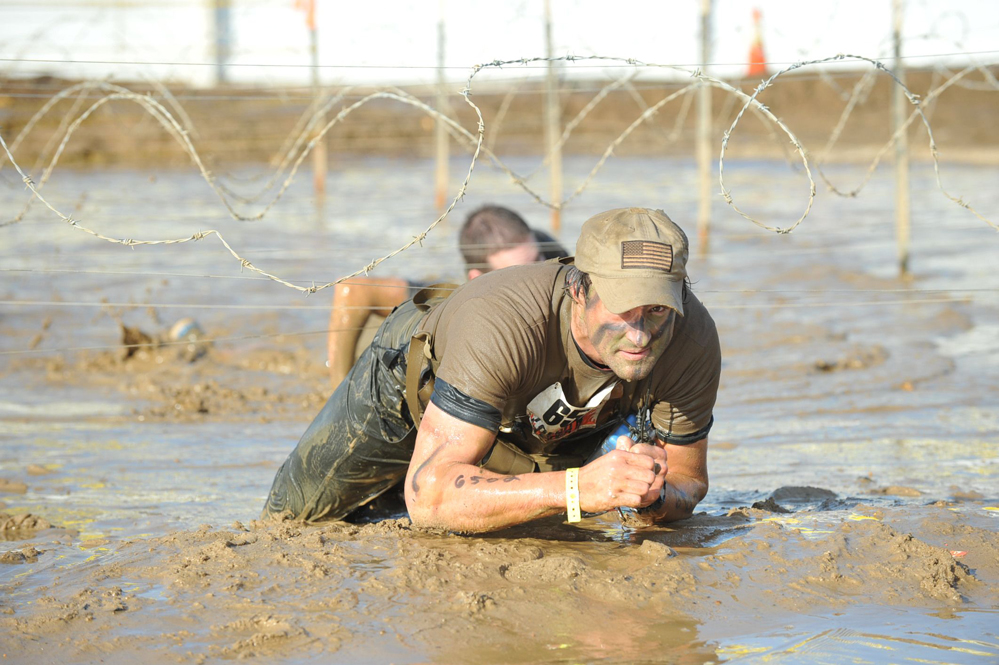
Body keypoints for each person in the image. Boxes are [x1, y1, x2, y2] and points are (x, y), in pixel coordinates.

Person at [265, 207, 720, 533]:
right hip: (409, 390)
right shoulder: (500, 320)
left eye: (658, 309)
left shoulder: (691, 338)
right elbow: (430, 496)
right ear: (579, 290)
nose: (640, 336)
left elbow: (689, 480)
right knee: (293, 520)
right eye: (623, 310)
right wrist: (579, 488)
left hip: (537, 420)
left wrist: (655, 495)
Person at [326, 205, 567, 386]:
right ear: (478, 278)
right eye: (517, 276)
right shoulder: (456, 302)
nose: (536, 279)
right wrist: (339, 393)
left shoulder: (553, 258)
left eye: (537, 262)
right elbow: (354, 291)